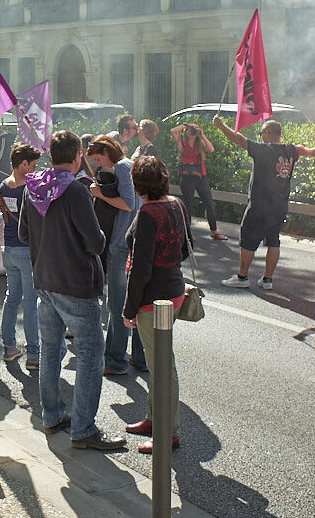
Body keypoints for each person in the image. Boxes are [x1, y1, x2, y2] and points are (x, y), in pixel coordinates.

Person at [17, 130, 125, 452]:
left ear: (50, 156)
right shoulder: (76, 191)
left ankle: (52, 416)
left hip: (44, 281)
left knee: (50, 351)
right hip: (76, 284)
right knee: (91, 354)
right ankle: (83, 428)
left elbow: (24, 234)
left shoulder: (32, 188)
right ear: (78, 156)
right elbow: (95, 242)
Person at [212, 117, 315, 289]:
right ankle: (267, 280)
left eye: (262, 134)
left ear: (267, 134)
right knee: (273, 241)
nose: (261, 137)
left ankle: (242, 277)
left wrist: (221, 126)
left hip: (260, 206)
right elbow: (314, 151)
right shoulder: (292, 150)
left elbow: (239, 139)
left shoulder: (264, 150)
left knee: (247, 240)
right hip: (280, 206)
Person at [122, 155, 191, 454]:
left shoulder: (148, 214)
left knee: (162, 366)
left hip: (153, 299)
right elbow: (187, 248)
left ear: (138, 185)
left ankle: (168, 433)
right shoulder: (176, 205)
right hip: (174, 290)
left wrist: (128, 310)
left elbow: (140, 269)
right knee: (156, 362)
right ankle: (154, 418)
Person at [86, 135, 143, 375]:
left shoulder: (121, 167)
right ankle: (141, 358)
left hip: (121, 242)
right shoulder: (129, 165)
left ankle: (116, 360)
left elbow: (128, 203)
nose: (98, 164)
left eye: (98, 158)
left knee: (118, 303)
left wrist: (99, 194)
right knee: (138, 302)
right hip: (133, 241)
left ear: (108, 152)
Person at [0, 142, 41, 370]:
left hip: (9, 249)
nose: (35, 169)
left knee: (11, 299)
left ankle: (9, 346)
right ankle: (33, 353)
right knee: (31, 303)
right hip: (27, 249)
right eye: (33, 165)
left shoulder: (3, 186)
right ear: (23, 164)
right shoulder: (31, 187)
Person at [171, 122, 227, 241]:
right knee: (189, 205)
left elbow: (211, 149)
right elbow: (173, 131)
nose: (193, 132)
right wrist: (187, 125)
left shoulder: (200, 143)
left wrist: (202, 135)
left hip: (201, 176)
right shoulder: (181, 141)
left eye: (195, 130)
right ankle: (187, 233)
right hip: (186, 177)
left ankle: (214, 231)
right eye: (191, 130)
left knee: (209, 203)